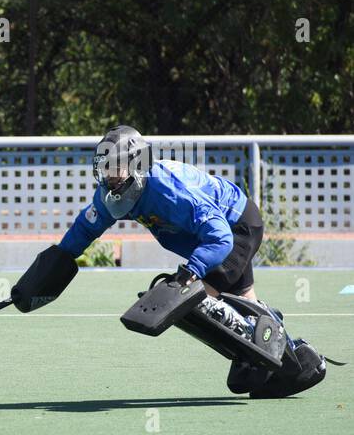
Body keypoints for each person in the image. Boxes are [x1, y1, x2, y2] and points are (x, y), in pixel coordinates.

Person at [61, 125, 265, 333]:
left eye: (115, 168)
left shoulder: (170, 191)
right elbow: (86, 227)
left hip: (236, 227)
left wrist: (190, 273)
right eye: (105, 168)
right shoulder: (113, 191)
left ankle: (259, 340)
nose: (109, 177)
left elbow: (220, 238)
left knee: (197, 304)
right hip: (210, 240)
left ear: (137, 163)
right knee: (248, 306)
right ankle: (282, 352)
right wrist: (61, 255)